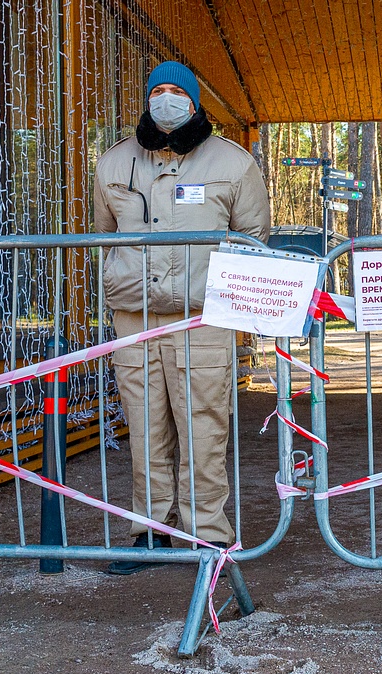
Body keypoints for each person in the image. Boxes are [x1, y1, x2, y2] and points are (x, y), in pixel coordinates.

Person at [93, 61, 271, 575]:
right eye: (158, 91)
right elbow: (103, 235)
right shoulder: (112, 164)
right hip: (135, 316)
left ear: (195, 100)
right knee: (145, 427)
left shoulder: (234, 164)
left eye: (177, 91)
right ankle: (150, 531)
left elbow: (253, 240)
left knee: (204, 428)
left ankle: (207, 537)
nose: (166, 99)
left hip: (204, 319)